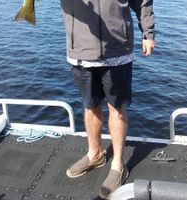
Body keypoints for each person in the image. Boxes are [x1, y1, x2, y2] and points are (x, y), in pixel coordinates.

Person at [60, 0, 155, 199]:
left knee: (117, 108)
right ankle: (94, 154)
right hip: (80, 50)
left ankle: (118, 165)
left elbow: (143, 2)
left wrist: (147, 32)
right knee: (90, 105)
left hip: (117, 50)